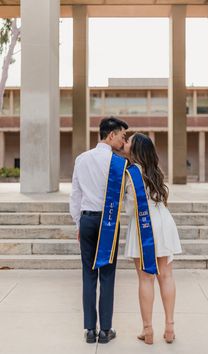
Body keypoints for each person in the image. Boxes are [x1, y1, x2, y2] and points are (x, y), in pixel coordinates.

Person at [70, 117, 128, 344]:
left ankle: (89, 330)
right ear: (110, 135)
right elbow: (122, 196)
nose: (124, 141)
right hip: (109, 223)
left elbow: (75, 195)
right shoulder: (118, 163)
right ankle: (105, 330)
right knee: (108, 274)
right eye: (122, 136)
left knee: (88, 274)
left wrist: (78, 223)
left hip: (86, 220)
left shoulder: (81, 159)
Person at [123, 133, 182, 345]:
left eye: (128, 141)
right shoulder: (154, 170)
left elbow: (131, 209)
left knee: (145, 278)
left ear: (136, 148)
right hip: (163, 221)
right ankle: (169, 328)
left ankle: (148, 331)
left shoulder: (131, 173)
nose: (125, 142)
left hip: (143, 227)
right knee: (166, 276)